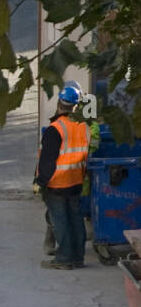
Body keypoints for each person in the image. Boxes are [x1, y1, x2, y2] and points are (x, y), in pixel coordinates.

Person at [37, 86, 90, 270]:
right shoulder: (82, 126)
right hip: (76, 180)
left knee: (60, 221)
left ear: (59, 104)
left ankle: (64, 258)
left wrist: (40, 182)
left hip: (57, 183)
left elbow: (47, 161)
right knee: (75, 219)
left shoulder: (55, 129)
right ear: (76, 106)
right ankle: (78, 257)